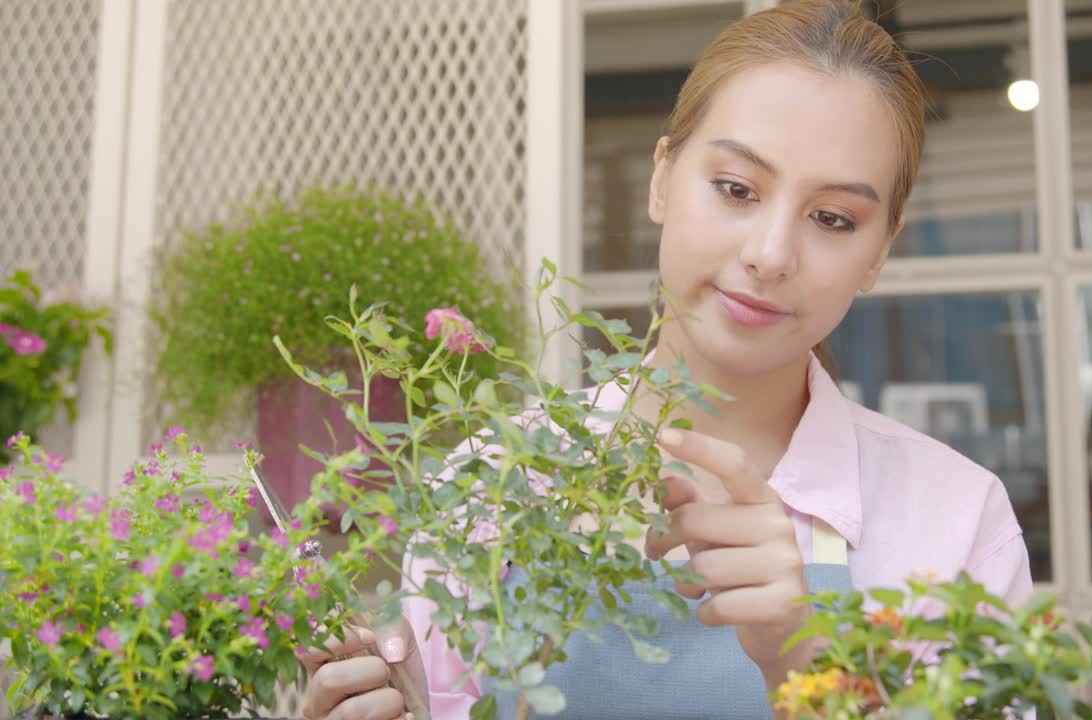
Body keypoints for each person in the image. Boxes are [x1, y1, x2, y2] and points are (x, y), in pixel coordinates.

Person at [299, 1, 1033, 718]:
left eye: (833, 218)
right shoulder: (491, 484)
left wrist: (811, 671)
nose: (770, 255)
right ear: (661, 179)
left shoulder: (956, 522)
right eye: (737, 189)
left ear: (880, 251)